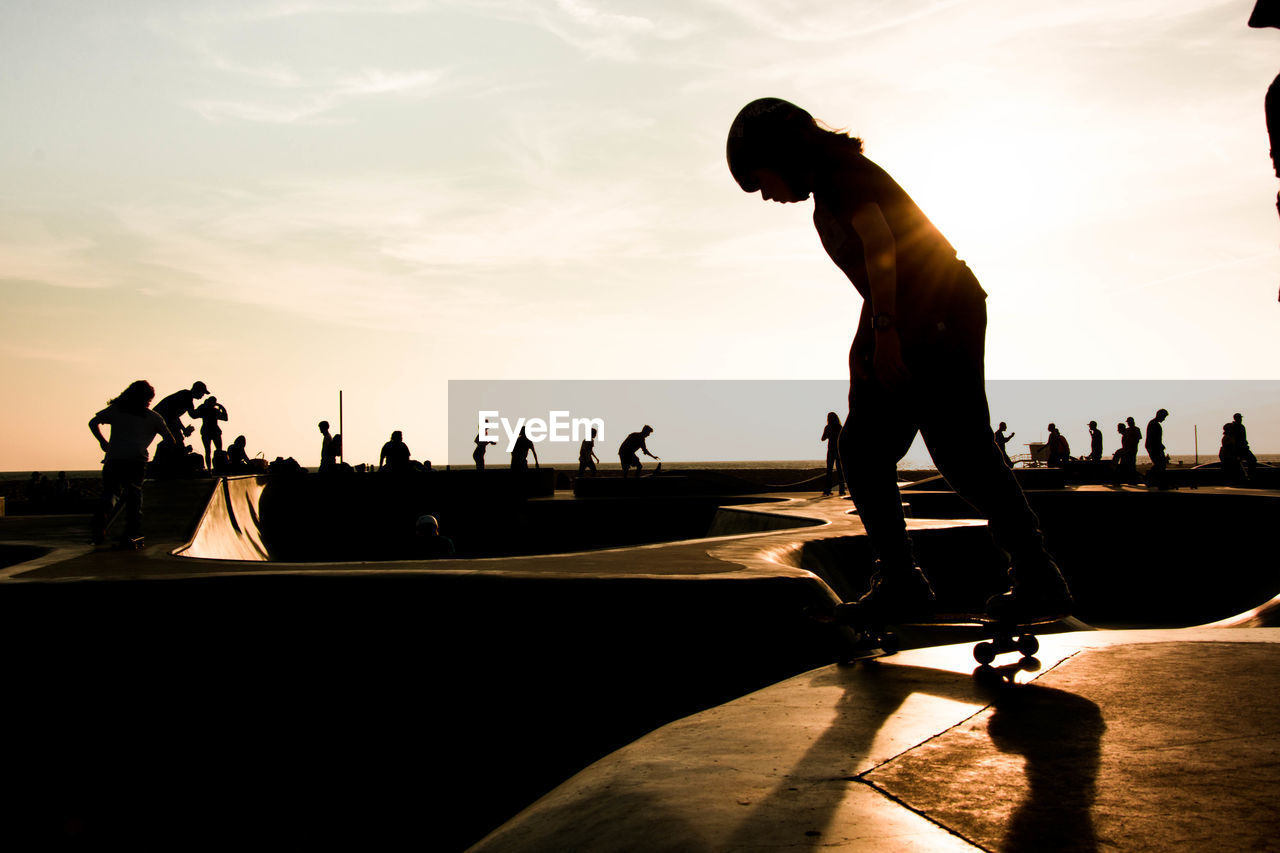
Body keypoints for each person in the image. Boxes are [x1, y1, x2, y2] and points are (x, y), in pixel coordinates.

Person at [727, 97, 1070, 623]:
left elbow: (883, 244)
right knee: (862, 448)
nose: (767, 196)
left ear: (783, 153)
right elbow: (875, 269)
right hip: (906, 313)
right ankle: (901, 579)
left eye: (760, 180)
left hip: (938, 309)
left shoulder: (844, 173)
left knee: (960, 450)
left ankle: (1037, 576)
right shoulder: (828, 188)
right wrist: (866, 339)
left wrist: (884, 329)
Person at [87, 380, 176, 547]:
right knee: (133, 494)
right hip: (136, 460)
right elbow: (170, 441)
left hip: (114, 458)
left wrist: (102, 442)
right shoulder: (153, 417)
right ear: (147, 399)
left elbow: (93, 422)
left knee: (110, 493)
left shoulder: (117, 410)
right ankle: (131, 531)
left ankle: (99, 527)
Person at [153, 381, 209, 452]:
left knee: (174, 439)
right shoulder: (187, 397)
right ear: (197, 390)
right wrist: (205, 410)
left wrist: (183, 429)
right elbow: (192, 415)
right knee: (177, 439)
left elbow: (175, 416)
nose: (203, 395)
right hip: (160, 418)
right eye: (202, 393)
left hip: (162, 418)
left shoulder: (186, 395)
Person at [193, 396, 229, 471]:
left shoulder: (212, 410)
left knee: (215, 451)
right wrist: (221, 407)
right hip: (209, 431)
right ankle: (210, 468)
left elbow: (225, 418)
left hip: (213, 431)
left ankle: (215, 468)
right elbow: (195, 414)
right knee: (210, 451)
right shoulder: (207, 410)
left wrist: (221, 407)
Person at [1225, 412, 1257, 480]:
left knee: (1253, 460)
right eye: (1239, 418)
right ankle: (1245, 477)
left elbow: (1243, 438)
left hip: (1243, 448)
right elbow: (1232, 439)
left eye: (1241, 418)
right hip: (1237, 449)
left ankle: (1250, 476)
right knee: (1238, 463)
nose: (1241, 419)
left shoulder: (1242, 427)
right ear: (1236, 418)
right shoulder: (1232, 427)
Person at [821, 412, 845, 496]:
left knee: (829, 471)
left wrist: (829, 434)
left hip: (831, 450)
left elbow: (823, 438)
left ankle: (827, 490)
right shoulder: (839, 427)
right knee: (840, 471)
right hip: (838, 451)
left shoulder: (827, 427)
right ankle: (841, 490)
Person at [1145, 408, 1170, 489]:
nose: (1164, 419)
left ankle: (1152, 480)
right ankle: (1152, 480)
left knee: (1159, 464)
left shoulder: (1153, 423)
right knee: (1160, 465)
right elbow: (1154, 438)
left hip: (1154, 447)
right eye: (1164, 417)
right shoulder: (1154, 424)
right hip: (1154, 448)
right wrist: (1159, 446)